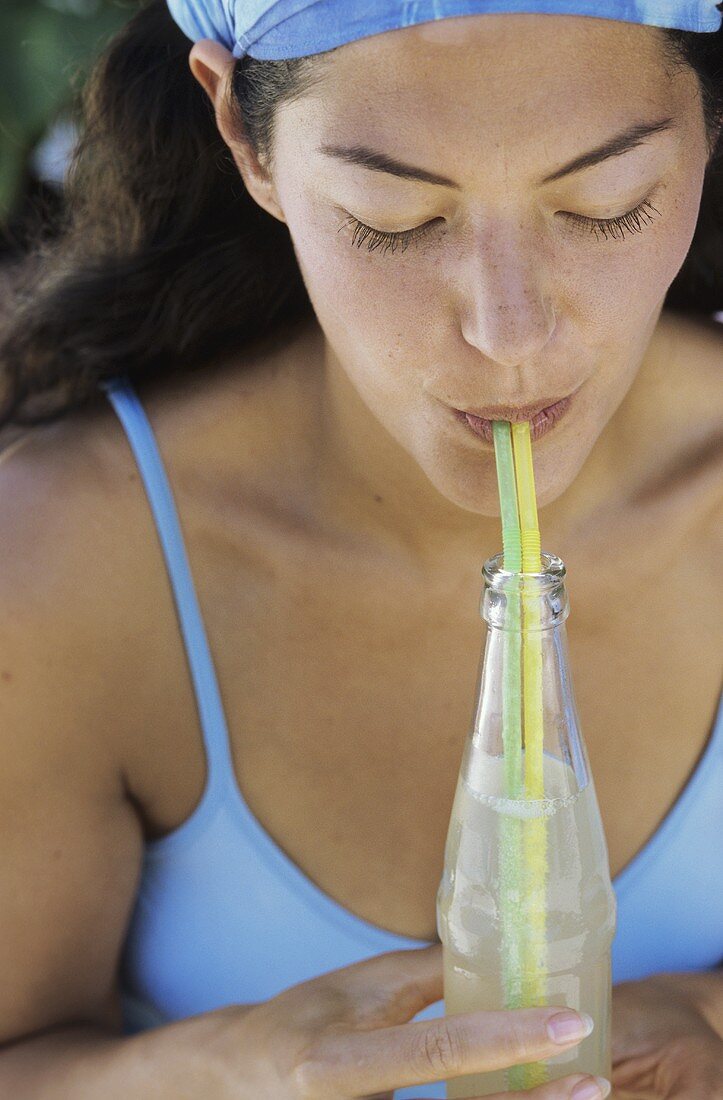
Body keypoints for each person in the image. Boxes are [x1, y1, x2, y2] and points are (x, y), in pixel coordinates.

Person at [0, 0, 721, 1096]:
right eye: (395, 216)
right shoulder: (67, 564)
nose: (511, 332)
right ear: (245, 138)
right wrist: (226, 1070)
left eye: (606, 203)